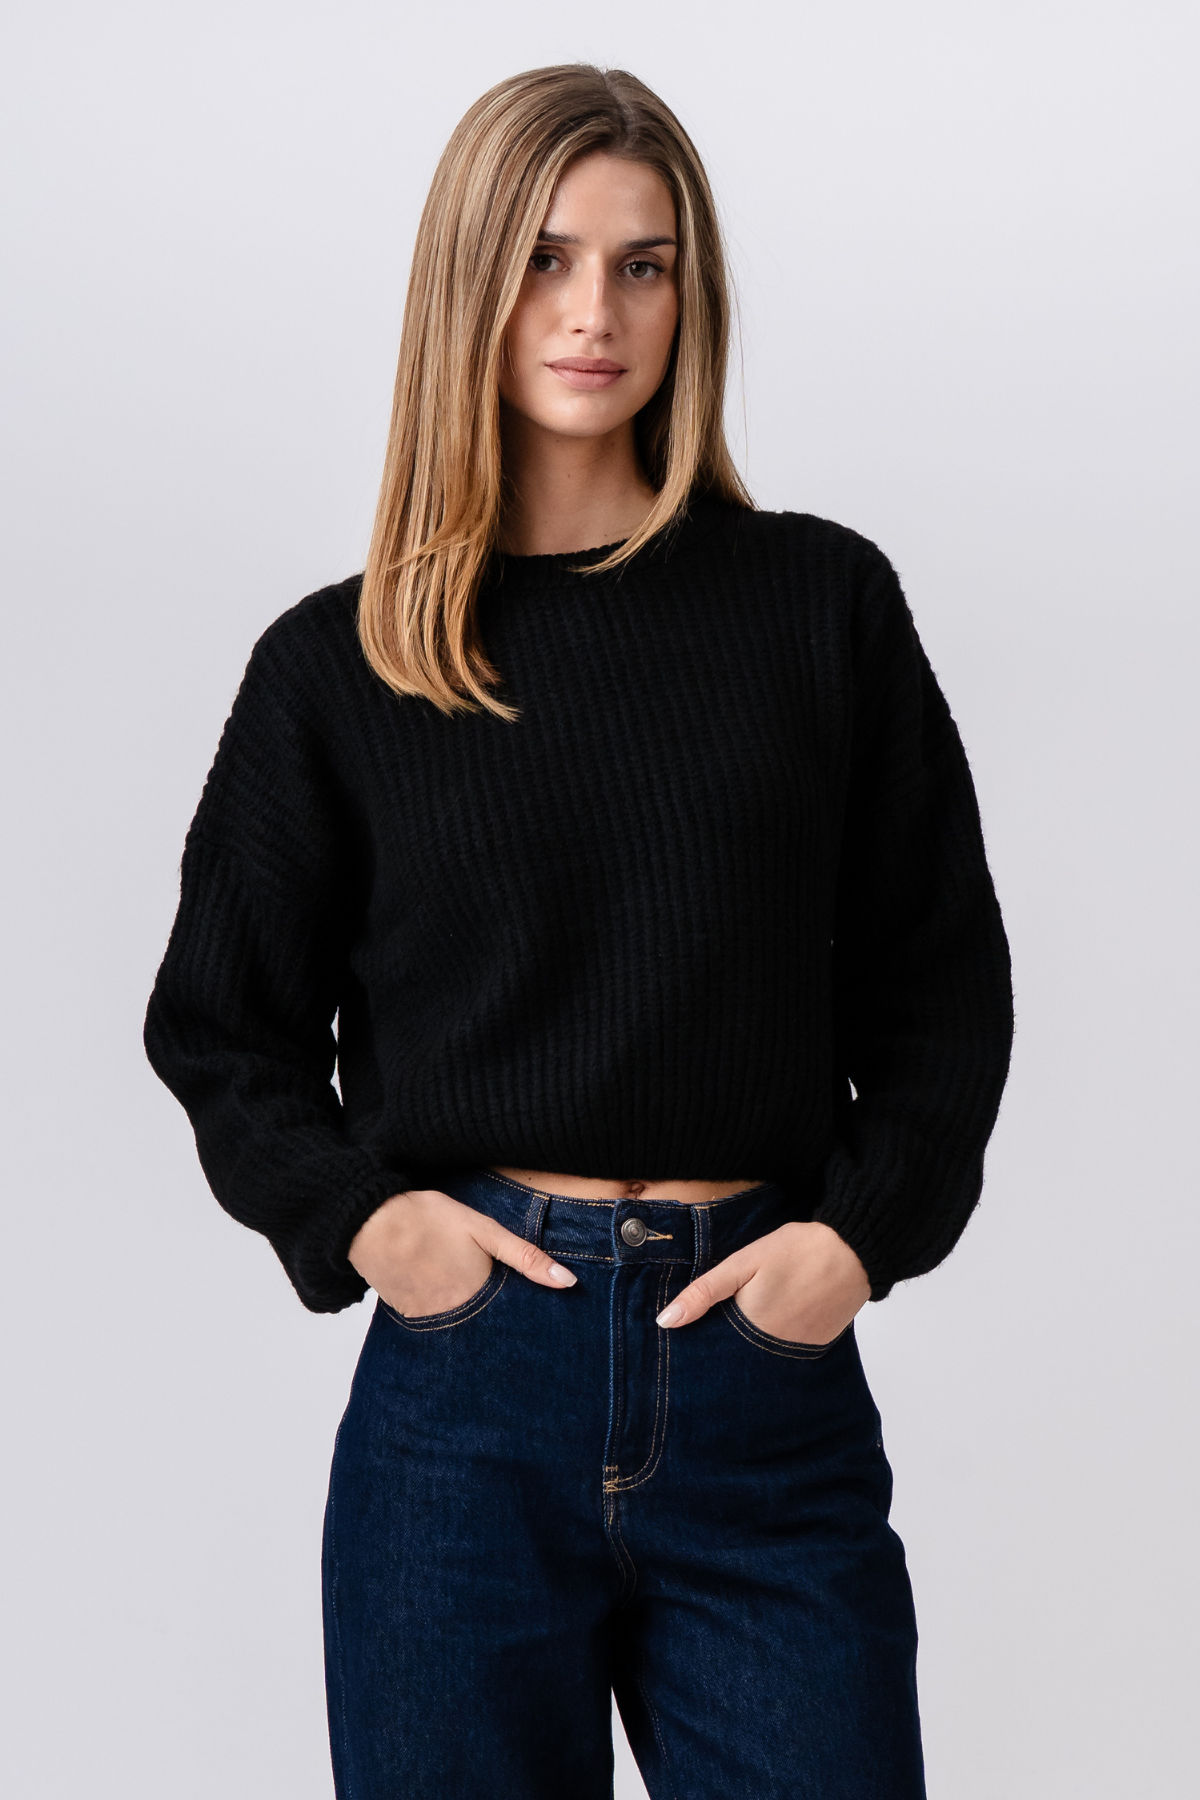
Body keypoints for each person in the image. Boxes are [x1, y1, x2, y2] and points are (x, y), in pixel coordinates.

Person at [145, 63, 1012, 1800]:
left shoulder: (819, 606)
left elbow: (940, 983)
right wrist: (372, 1225)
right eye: (544, 258)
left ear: (693, 296)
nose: (593, 311)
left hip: (761, 1381)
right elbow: (222, 1028)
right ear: (467, 280)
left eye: (642, 263)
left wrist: (856, 1244)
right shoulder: (340, 666)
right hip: (465, 1406)